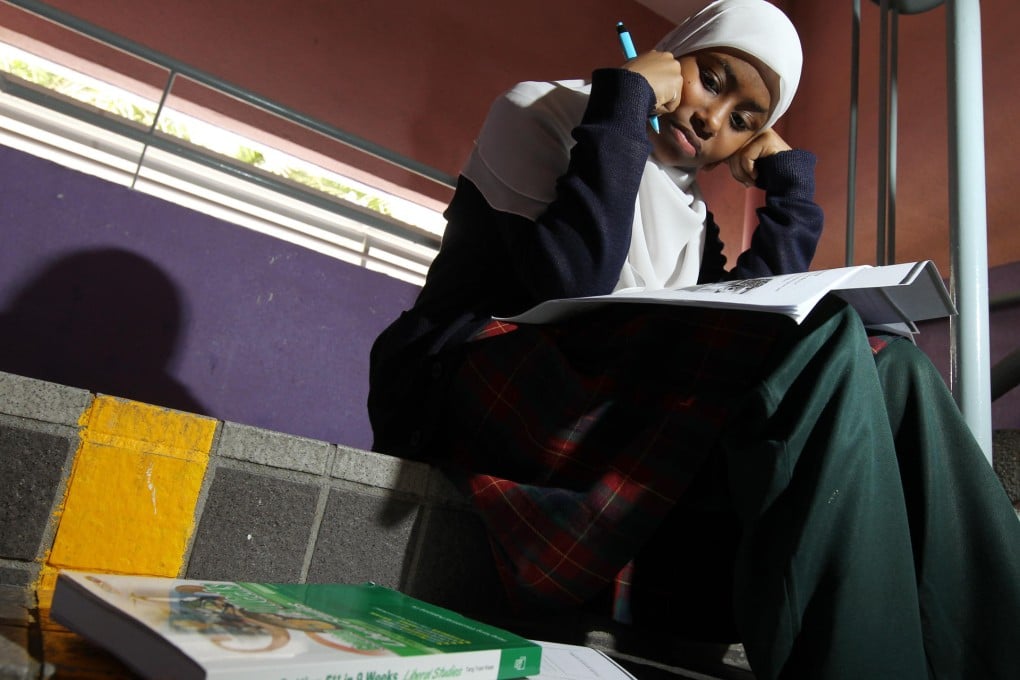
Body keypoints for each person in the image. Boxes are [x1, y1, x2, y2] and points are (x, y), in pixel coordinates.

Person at [367, 1, 1020, 678]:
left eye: (744, 122)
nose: (712, 120)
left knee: (898, 367)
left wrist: (788, 195)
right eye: (712, 79)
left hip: (609, 388)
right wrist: (627, 99)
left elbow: (756, 321)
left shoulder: (692, 210)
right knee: (826, 336)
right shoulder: (544, 108)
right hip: (478, 370)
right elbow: (566, 282)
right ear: (678, 51)